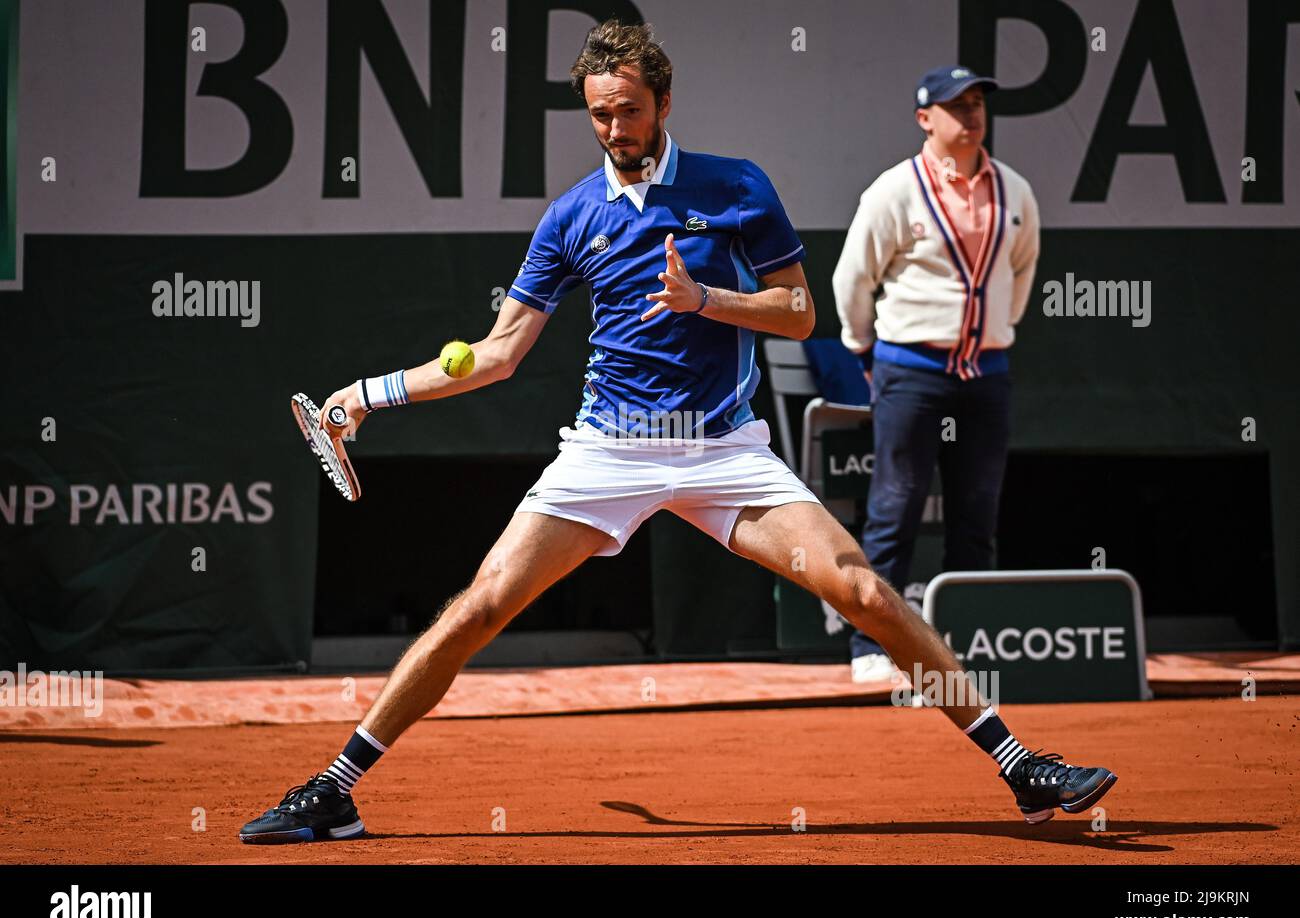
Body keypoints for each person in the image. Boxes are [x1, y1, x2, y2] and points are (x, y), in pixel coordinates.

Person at [240, 27, 1111, 844]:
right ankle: (334, 790)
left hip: (724, 451)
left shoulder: (736, 187)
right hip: (607, 452)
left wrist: (708, 301)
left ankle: (1021, 766)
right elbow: (498, 353)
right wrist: (366, 395)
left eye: (627, 110)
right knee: (478, 606)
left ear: (662, 102)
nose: (614, 129)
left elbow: (802, 311)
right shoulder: (572, 215)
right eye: (598, 114)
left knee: (867, 593)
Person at [832, 66, 1040, 684]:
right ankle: (869, 650)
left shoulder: (1015, 191)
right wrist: (864, 351)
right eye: (956, 106)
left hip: (986, 374)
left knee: (977, 511)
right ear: (925, 119)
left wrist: (990, 333)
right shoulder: (894, 191)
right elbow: (853, 281)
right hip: (909, 371)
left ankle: (965, 648)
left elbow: (1021, 274)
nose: (971, 115)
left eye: (977, 103)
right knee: (894, 506)